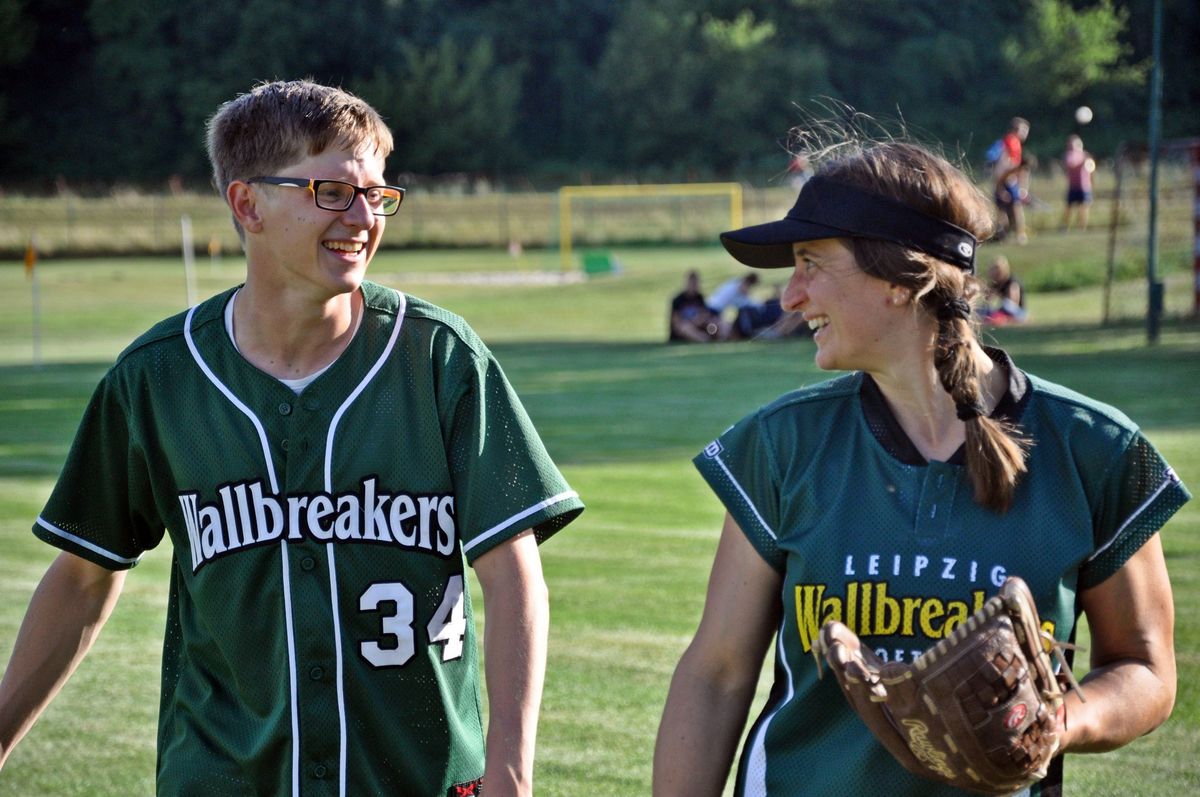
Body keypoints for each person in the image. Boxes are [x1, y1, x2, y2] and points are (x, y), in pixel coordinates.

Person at [0, 79, 584, 796]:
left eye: (377, 193)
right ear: (248, 204)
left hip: (419, 779)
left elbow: (511, 569)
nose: (364, 216)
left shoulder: (438, 358)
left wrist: (512, 774)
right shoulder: (158, 378)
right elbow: (85, 574)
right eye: (333, 192)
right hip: (223, 778)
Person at [653, 140, 1188, 796]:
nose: (790, 297)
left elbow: (1145, 667)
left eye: (810, 264)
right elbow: (716, 673)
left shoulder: (1094, 449)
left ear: (900, 279)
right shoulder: (783, 444)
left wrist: (1056, 720)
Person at [669, 270, 723, 342]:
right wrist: (693, 322)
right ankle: (705, 340)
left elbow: (704, 315)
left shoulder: (700, 298)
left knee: (714, 324)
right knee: (686, 327)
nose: (693, 286)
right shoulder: (678, 300)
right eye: (692, 283)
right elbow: (676, 323)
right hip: (684, 330)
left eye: (695, 283)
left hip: (697, 326)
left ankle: (718, 339)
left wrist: (699, 322)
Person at [1061, 134, 1096, 230]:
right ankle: (1064, 226)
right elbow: (1070, 166)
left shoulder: (1084, 154)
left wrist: (1092, 180)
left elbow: (1091, 168)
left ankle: (1082, 227)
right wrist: (1082, 163)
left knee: (1084, 207)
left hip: (1085, 186)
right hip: (1074, 186)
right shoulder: (1068, 155)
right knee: (1069, 207)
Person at [981, 254, 1028, 324]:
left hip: (1018, 312)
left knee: (1006, 304)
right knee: (983, 309)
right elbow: (988, 300)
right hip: (1003, 310)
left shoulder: (1012, 282)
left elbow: (1013, 303)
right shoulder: (996, 283)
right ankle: (998, 318)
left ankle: (1002, 318)